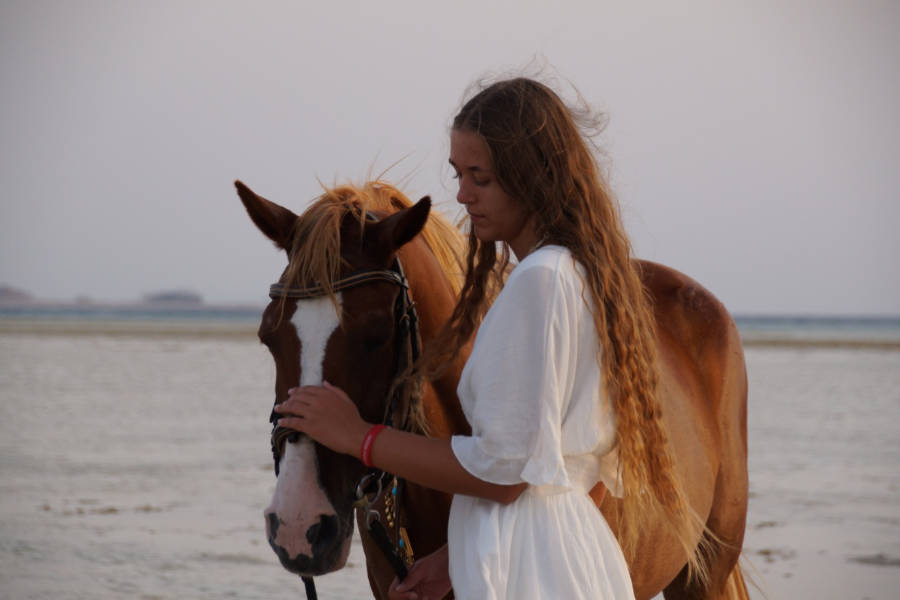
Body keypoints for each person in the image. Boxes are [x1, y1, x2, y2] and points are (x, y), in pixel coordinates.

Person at [275, 77, 702, 599]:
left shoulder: (538, 283)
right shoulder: (580, 278)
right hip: (563, 554)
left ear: (535, 178)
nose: (461, 194)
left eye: (481, 177)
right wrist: (462, 553)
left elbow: (503, 475)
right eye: (458, 173)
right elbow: (558, 468)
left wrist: (358, 437)